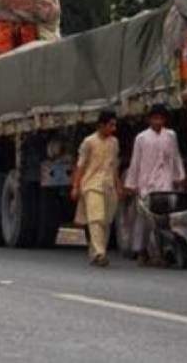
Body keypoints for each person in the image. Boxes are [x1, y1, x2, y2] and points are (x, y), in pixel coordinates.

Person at [124, 103, 186, 265]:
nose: (157, 121)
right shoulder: (142, 138)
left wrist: (179, 176)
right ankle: (142, 251)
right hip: (146, 184)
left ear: (164, 119)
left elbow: (175, 157)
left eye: (160, 118)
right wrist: (131, 184)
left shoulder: (170, 136)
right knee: (144, 221)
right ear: (149, 120)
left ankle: (161, 252)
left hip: (165, 184)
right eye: (154, 118)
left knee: (163, 220)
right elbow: (135, 162)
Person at [71, 110, 121, 267]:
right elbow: (81, 165)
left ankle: (95, 253)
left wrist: (119, 185)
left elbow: (114, 166)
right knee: (96, 218)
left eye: (114, 125)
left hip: (109, 186)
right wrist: (75, 186)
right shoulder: (89, 142)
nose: (113, 128)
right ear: (101, 125)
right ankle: (100, 253)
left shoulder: (114, 143)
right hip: (91, 185)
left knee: (106, 221)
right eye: (110, 125)